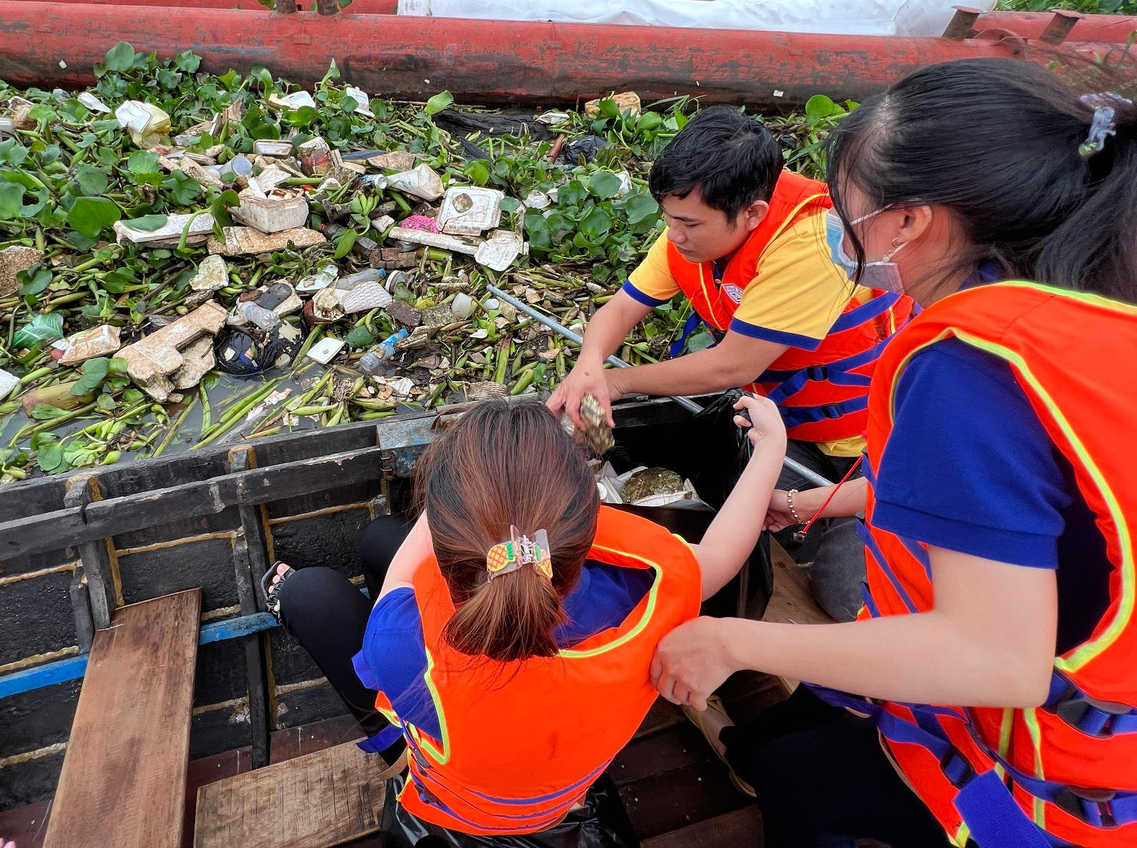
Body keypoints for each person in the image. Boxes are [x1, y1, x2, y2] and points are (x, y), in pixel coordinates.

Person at [650, 59, 1137, 848]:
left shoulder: (966, 371)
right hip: (1084, 664)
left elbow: (997, 658)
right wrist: (824, 499)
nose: (843, 240)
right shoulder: (1090, 299)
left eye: (852, 217)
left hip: (1047, 759)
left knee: (796, 779)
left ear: (910, 221)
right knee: (788, 730)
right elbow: (1030, 494)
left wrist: (730, 639)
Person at [264, 395, 786, 844]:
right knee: (380, 542)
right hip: (560, 785)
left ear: (448, 533)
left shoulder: (400, 642)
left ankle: (287, 592)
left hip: (465, 796)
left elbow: (403, 578)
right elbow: (722, 553)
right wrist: (771, 450)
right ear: (589, 521)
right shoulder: (655, 588)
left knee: (317, 589)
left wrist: (472, 488)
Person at [547, 106, 913, 621]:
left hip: (869, 444)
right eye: (668, 218)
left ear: (753, 214)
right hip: (787, 423)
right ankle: (808, 512)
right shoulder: (699, 213)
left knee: (845, 600)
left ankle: (849, 521)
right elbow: (624, 306)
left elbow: (730, 367)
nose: (673, 235)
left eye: (689, 224)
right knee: (738, 513)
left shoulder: (812, 245)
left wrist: (617, 382)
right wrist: (588, 365)